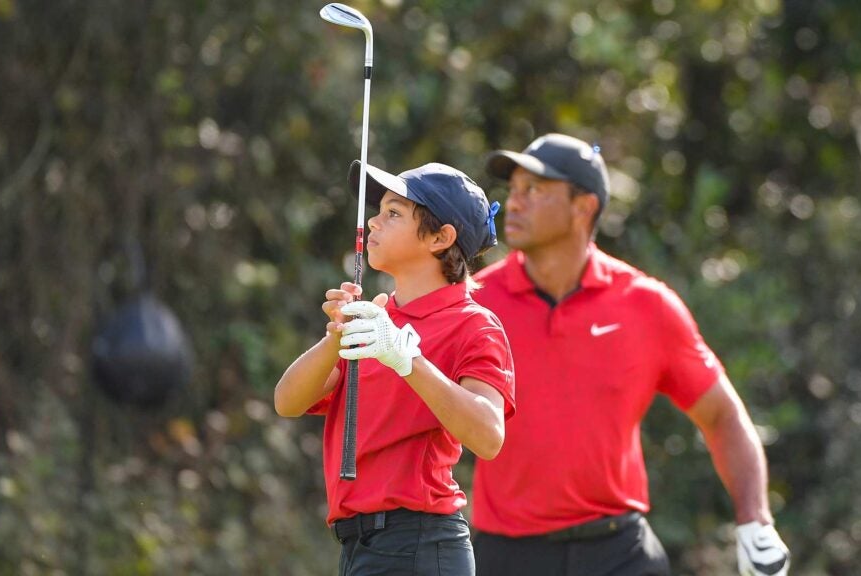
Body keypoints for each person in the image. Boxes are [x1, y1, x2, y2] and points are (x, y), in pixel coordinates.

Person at [469, 133, 790, 576]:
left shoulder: (646, 304)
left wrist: (755, 520)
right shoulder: (477, 302)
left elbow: (722, 416)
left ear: (584, 207)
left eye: (535, 191)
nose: (515, 203)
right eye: (515, 190)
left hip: (618, 553)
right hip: (507, 556)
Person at [275, 160, 515, 576]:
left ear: (441, 238)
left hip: (421, 544)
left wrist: (408, 361)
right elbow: (287, 401)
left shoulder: (474, 324)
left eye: (393, 213)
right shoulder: (376, 320)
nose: (372, 222)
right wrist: (336, 337)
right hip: (359, 547)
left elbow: (489, 435)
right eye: (378, 210)